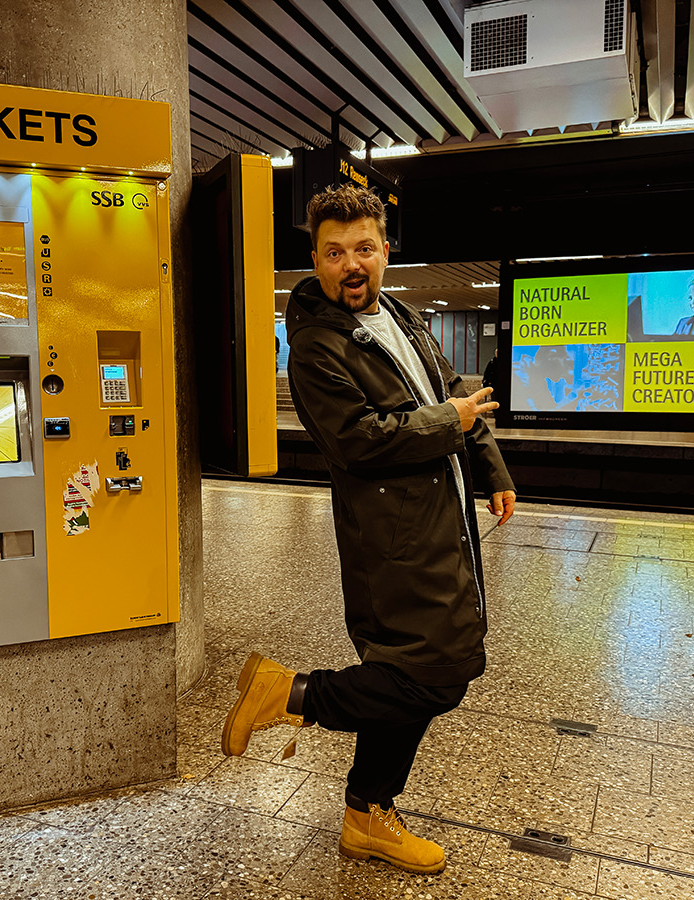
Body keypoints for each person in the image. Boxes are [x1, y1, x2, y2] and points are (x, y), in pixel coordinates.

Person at [221, 184, 515, 875]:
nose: (350, 264)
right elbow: (359, 440)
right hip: (393, 539)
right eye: (333, 253)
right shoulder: (316, 348)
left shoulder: (404, 319)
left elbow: (452, 396)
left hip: (441, 523)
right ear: (315, 261)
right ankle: (291, 694)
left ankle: (367, 816)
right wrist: (456, 425)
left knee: (408, 671)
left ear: (385, 251)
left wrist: (491, 468)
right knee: (436, 677)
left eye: (363, 249)